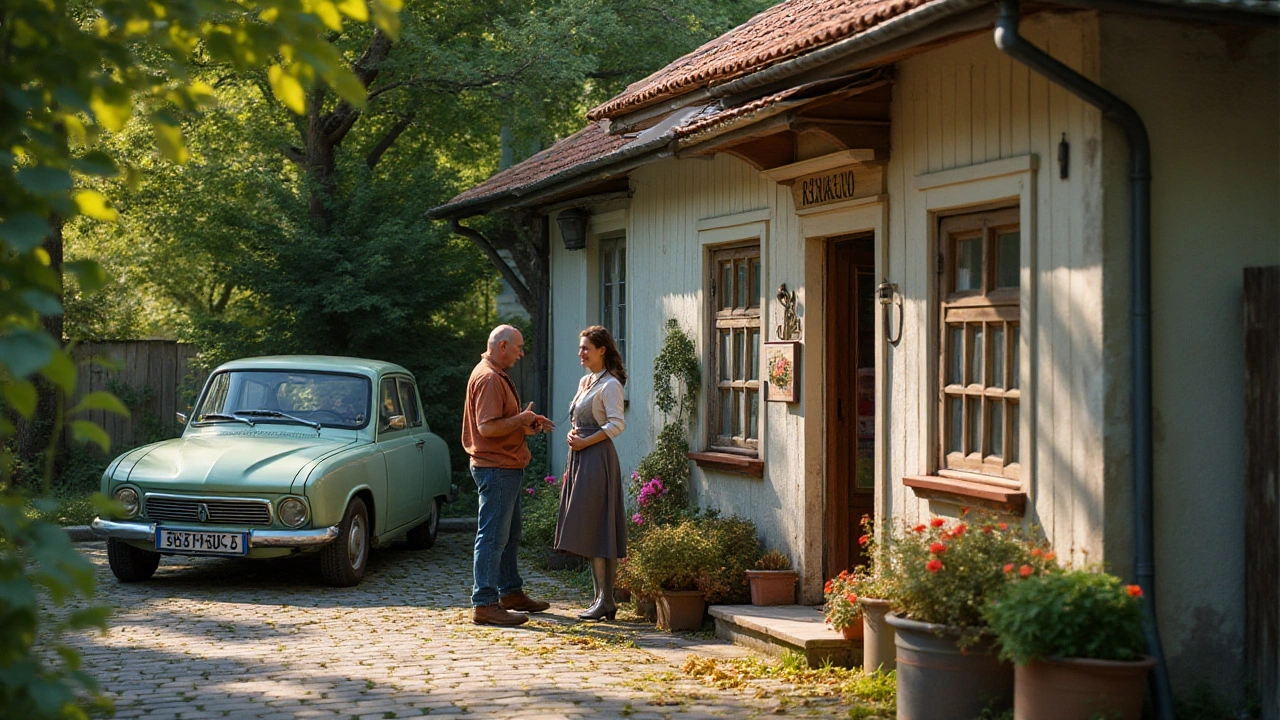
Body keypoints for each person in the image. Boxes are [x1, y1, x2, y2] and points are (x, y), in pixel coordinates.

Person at [462, 324, 554, 626]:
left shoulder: (493, 373)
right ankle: (486, 603)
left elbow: (498, 423)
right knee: (492, 538)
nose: (521, 353)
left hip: (504, 465)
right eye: (518, 347)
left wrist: (525, 424)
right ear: (502, 346)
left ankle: (510, 592)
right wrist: (522, 418)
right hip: (496, 467)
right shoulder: (489, 377)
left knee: (510, 535)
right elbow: (487, 427)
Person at [554, 325, 628, 621]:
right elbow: (578, 418)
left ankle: (606, 599)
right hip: (581, 458)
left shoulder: (611, 384)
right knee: (587, 526)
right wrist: (573, 437)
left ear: (602, 350)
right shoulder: (586, 381)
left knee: (599, 526)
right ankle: (599, 598)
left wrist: (585, 440)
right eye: (580, 347)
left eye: (586, 348)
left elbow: (616, 424)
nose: (581, 353)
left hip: (597, 459)